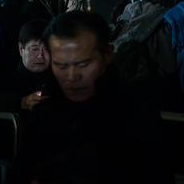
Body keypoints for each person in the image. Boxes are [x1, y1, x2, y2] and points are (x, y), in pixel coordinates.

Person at [25, 10, 172, 183]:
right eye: (61, 65)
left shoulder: (136, 111)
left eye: (83, 64)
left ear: (108, 54)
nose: (72, 76)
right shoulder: (46, 110)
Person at [0, 19, 51, 115]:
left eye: (46, 49)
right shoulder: (2, 80)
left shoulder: (58, 81)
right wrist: (21, 102)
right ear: (21, 49)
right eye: (34, 49)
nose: (40, 55)